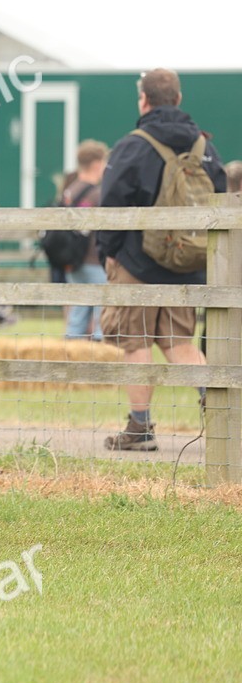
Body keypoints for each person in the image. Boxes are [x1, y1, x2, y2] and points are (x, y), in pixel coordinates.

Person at [98, 68, 227, 451]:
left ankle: (140, 428)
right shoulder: (206, 148)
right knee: (179, 342)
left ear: (144, 100)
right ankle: (224, 414)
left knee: (135, 343)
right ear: (179, 99)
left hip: (136, 262)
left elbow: (111, 205)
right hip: (186, 262)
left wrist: (109, 251)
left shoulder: (133, 146)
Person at [60, 140, 110, 341]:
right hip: (95, 260)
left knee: (77, 315)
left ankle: (70, 357)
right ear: (97, 163)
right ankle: (97, 361)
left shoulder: (69, 191)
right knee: (101, 317)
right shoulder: (98, 194)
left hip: (73, 261)